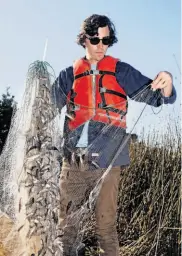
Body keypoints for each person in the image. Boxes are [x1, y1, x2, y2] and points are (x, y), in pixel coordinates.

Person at [51, 14, 176, 256]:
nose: (100, 46)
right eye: (95, 40)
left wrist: (167, 83)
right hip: (74, 161)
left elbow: (156, 96)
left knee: (105, 227)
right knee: (66, 226)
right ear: (84, 40)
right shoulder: (69, 74)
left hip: (110, 161)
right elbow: (46, 107)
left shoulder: (121, 71)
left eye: (106, 41)